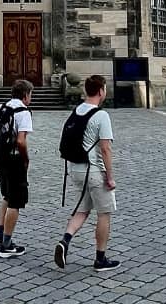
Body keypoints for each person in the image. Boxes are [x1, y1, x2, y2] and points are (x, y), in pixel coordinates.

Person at [54, 74, 121, 272]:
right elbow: (106, 148)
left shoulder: (77, 110)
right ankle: (100, 258)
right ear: (101, 91)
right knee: (104, 213)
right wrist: (110, 177)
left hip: (75, 169)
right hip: (93, 171)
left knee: (82, 209)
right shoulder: (101, 115)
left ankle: (65, 241)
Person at [0, 79, 33, 259]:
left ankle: (0, 233)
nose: (31, 98)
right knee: (15, 201)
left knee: (7, 195)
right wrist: (26, 158)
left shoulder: (1, 107)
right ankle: (6, 244)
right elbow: (21, 141)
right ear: (25, 95)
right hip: (14, 160)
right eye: (30, 95)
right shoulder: (23, 112)